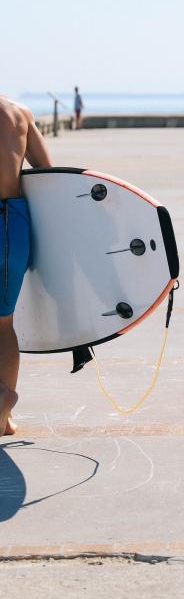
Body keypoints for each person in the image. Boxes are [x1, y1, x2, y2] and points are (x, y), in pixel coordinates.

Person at [0, 96, 53, 435]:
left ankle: (3, 398)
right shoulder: (19, 113)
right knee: (4, 325)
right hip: (12, 225)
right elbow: (49, 174)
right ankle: (2, 418)